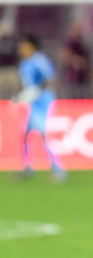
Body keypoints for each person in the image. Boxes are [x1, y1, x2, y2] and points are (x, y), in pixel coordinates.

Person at [15, 36, 66, 181]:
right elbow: (26, 84)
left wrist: (36, 91)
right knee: (24, 135)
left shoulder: (40, 60)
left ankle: (59, 170)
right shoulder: (24, 63)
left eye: (23, 46)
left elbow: (51, 79)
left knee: (43, 136)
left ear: (31, 46)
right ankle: (27, 168)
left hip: (42, 102)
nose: (21, 49)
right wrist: (23, 95)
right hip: (32, 104)